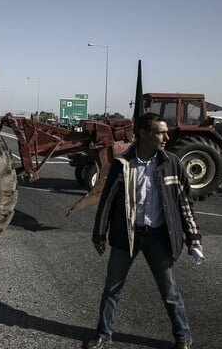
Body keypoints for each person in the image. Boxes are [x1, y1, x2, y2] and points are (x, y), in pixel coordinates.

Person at [87, 112, 203, 349]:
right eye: (161, 132)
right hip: (127, 235)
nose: (166, 137)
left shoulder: (172, 163)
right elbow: (107, 201)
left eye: (165, 132)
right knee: (112, 288)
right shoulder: (122, 163)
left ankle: (183, 336)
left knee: (170, 292)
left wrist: (194, 238)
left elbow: (185, 204)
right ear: (144, 134)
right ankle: (103, 333)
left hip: (159, 237)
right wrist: (99, 233)